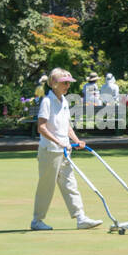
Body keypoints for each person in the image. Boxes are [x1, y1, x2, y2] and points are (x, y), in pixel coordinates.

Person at [30, 68, 101, 231]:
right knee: (46, 187)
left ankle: (81, 218)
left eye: (69, 83)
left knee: (70, 184)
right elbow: (41, 127)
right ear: (54, 84)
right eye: (65, 83)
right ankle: (37, 221)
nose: (68, 86)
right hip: (50, 151)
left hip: (65, 152)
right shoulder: (47, 102)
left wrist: (76, 140)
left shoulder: (64, 101)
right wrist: (59, 142)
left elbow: (67, 126)